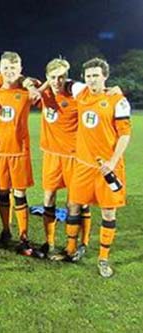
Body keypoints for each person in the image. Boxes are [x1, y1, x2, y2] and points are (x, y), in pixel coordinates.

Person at [62, 58, 131, 278]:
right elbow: (60, 79)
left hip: (107, 167)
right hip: (83, 165)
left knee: (108, 212)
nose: (92, 79)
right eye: (89, 75)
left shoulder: (118, 101)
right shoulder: (80, 92)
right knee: (73, 205)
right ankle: (71, 250)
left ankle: (103, 258)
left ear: (105, 76)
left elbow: (125, 135)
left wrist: (111, 162)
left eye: (96, 75)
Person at [37, 58, 91, 258]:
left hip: (74, 156)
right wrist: (42, 85)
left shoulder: (77, 93)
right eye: (53, 77)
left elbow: (95, 91)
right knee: (49, 196)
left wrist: (114, 91)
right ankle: (49, 243)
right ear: (47, 77)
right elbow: (26, 84)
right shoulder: (43, 92)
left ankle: (77, 245)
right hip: (51, 155)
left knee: (77, 202)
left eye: (62, 77)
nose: (58, 81)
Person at [0, 51, 41, 256]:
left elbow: (44, 87)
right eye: (5, 68)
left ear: (20, 69)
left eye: (13, 68)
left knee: (20, 194)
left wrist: (29, 83)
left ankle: (23, 235)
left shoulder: (26, 90)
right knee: (2, 192)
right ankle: (5, 230)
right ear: (0, 70)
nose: (9, 72)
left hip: (19, 152)